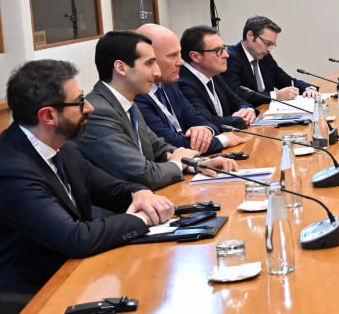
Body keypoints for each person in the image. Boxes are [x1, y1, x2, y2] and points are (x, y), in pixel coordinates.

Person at [0, 60, 174, 293]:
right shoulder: (9, 171)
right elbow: (76, 238)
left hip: (63, 278)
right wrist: (143, 219)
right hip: (18, 301)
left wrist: (140, 193)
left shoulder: (61, 147)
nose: (89, 108)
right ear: (48, 116)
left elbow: (110, 189)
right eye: (79, 102)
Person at [75, 31, 237, 190]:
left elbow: (159, 148)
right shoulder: (97, 111)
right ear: (121, 68)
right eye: (149, 63)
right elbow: (142, 174)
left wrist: (198, 164)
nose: (157, 72)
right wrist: (177, 163)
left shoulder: (127, 103)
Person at [135, 23, 249, 155]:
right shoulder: (137, 94)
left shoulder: (169, 85)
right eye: (172, 56)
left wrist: (205, 130)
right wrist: (222, 140)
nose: (181, 62)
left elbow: (202, 120)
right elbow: (170, 143)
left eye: (179, 54)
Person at [223, 15, 317, 106]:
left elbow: (287, 81)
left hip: (267, 110)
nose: (269, 49)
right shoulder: (230, 58)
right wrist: (276, 96)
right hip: (248, 113)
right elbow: (237, 95)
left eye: (272, 45)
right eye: (267, 43)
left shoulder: (265, 57)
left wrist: (308, 89)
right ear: (250, 35)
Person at [178, 25, 258, 130]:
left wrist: (248, 111)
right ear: (195, 56)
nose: (226, 55)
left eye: (223, 48)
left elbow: (238, 101)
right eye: (218, 50)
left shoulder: (214, 74)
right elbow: (206, 121)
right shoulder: (183, 83)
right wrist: (240, 120)